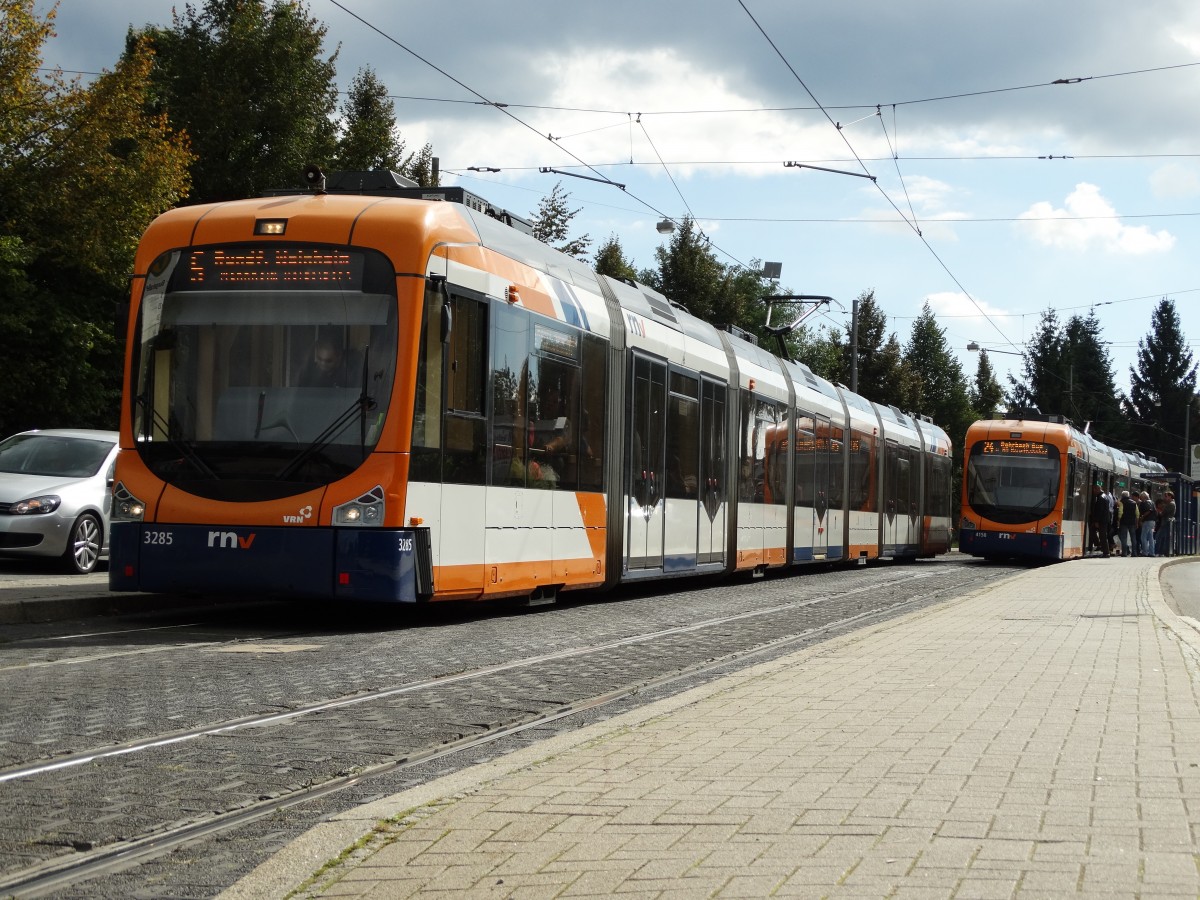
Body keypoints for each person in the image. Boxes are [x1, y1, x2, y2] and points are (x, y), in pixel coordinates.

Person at [1087, 483, 1111, 557]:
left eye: (1094, 490)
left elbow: (1099, 510)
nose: (1093, 492)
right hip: (1104, 519)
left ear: (1097, 489)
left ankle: (1106, 552)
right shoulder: (1105, 496)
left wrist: (1096, 521)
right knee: (1095, 531)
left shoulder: (1101, 498)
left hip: (1101, 520)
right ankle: (1100, 546)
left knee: (1102, 536)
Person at [1117, 490, 1138, 557]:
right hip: (1132, 522)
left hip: (1124, 522)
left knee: (1124, 537)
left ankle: (1124, 553)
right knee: (1133, 537)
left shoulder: (1121, 502)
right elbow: (1137, 513)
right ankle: (1134, 553)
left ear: (1122, 496)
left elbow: (1120, 512)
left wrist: (1118, 520)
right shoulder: (1134, 503)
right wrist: (1136, 522)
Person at [1137, 490, 1157, 557]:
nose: (1140, 499)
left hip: (1147, 521)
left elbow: (1149, 510)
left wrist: (1142, 517)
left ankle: (1145, 552)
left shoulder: (1146, 502)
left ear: (1144, 497)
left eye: (1141, 497)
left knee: (1143, 537)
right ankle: (1152, 552)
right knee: (1151, 537)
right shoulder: (1152, 502)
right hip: (1152, 521)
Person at [1159, 490, 1177, 557]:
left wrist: (1160, 512)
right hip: (1166, 522)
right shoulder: (1169, 504)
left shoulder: (1171, 504)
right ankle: (1163, 552)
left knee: (1162, 537)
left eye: (1166, 496)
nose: (1165, 498)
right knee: (1163, 537)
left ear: (1170, 496)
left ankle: (1162, 552)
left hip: (1166, 523)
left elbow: (1164, 513)